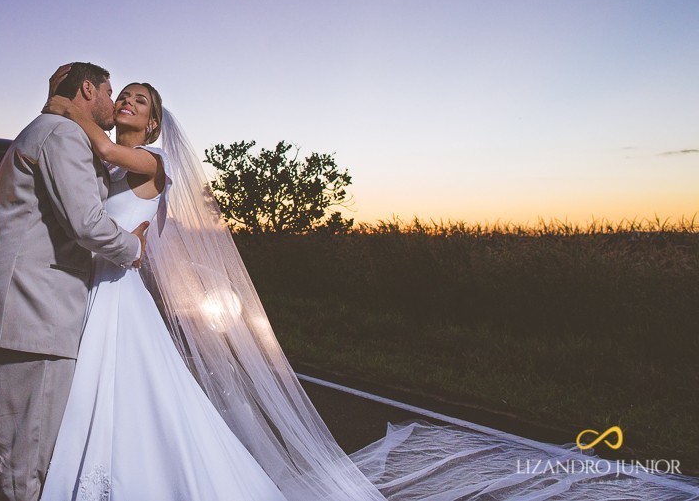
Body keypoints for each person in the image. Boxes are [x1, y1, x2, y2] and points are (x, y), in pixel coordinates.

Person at [38, 75, 699, 501]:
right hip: (99, 295)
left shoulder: (145, 162)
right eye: (122, 94)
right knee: (110, 400)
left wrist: (65, 102)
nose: (126, 102)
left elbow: (95, 148)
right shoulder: (104, 169)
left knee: (140, 400)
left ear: (153, 126)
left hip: (121, 301)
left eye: (139, 100)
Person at [0, 62, 151, 501]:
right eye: (110, 91)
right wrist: (135, 249)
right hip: (32, 320)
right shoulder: (62, 136)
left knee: (5, 461)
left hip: (6, 315)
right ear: (88, 89)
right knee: (27, 465)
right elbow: (87, 223)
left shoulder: (40, 130)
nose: (114, 101)